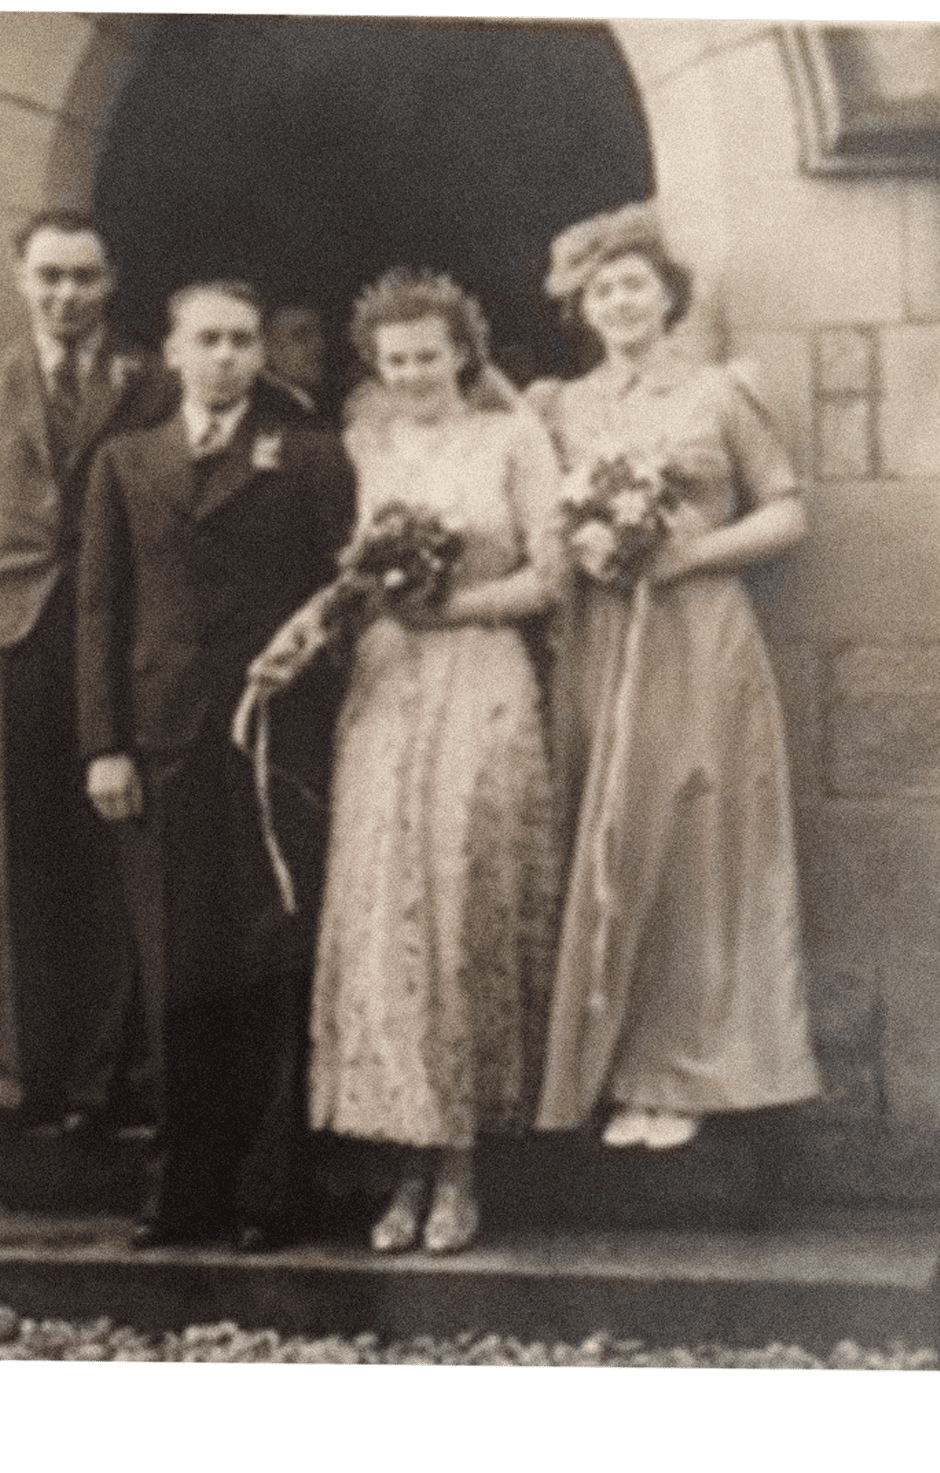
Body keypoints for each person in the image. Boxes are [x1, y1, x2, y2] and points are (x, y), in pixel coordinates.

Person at [249, 270, 563, 1255]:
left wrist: (448, 608)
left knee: (461, 896)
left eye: (429, 355)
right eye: (394, 361)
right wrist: (293, 639)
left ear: (463, 352)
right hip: (386, 689)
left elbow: (550, 575)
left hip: (480, 675)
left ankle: (460, 1167)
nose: (413, 373)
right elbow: (346, 578)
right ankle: (403, 1164)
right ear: (374, 369)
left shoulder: (513, 439)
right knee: (389, 909)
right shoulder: (365, 445)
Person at [531, 202, 822, 1155]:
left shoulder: (718, 393)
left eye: (635, 284)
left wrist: (687, 555)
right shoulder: (563, 407)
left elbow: (786, 513)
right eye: (601, 287)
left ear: (667, 298)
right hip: (606, 638)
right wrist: (591, 546)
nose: (619, 301)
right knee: (610, 836)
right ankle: (618, 1072)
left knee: (698, 839)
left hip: (698, 633)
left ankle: (693, 1074)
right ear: (583, 304)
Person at [77, 280, 355, 1251]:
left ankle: (266, 1192)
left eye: (243, 340)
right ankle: (178, 1188)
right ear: (172, 352)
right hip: (160, 743)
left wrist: (307, 665)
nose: (229, 356)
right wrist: (104, 742)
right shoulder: (125, 461)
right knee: (171, 968)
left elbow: (343, 592)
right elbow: (99, 609)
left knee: (269, 959)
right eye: (209, 339)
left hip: (272, 739)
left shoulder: (309, 458)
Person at [0, 209, 160, 1137]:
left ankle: (102, 1083)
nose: (66, 295)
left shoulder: (152, 385)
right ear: (20, 278)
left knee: (108, 859)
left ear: (111, 282)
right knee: (13, 864)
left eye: (84, 278)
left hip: (111, 647)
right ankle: (21, 1081)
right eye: (49, 276)